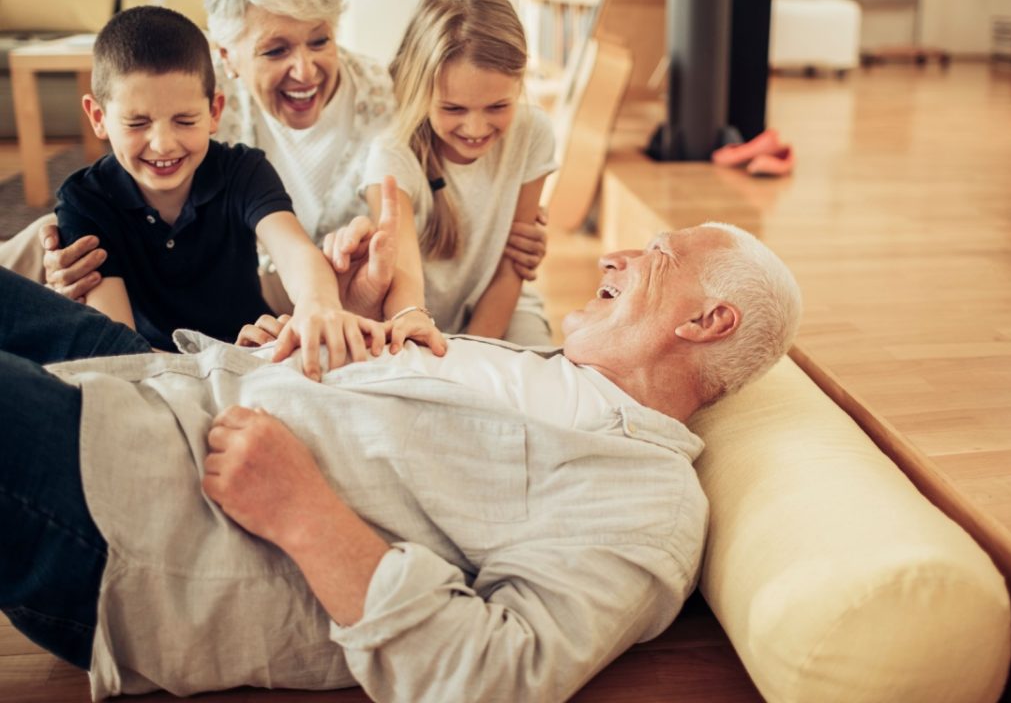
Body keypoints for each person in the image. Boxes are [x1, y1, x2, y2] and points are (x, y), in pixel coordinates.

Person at [0, 223, 803, 703]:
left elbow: (494, 676)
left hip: (145, 516)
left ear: (706, 320)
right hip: (164, 383)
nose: (614, 257)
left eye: (655, 255)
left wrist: (305, 515)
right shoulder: (546, 367)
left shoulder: (646, 498)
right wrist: (310, 351)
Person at [0, 0, 549, 318]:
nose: (305, 69)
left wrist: (512, 234)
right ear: (228, 56)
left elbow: (452, 183)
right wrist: (67, 259)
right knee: (50, 234)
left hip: (322, 290)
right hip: (215, 281)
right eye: (275, 49)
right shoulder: (203, 110)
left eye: (320, 39)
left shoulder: (388, 100)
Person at [53, 5, 380, 376]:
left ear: (214, 112)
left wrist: (318, 304)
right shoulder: (85, 200)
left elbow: (295, 251)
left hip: (255, 351)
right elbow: (119, 351)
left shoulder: (244, 170)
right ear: (98, 117)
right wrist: (221, 363)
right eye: (137, 122)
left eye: (185, 120)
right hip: (162, 369)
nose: (162, 144)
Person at [325, 0, 557, 346]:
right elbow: (404, 282)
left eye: (498, 106)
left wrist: (477, 355)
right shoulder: (392, 151)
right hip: (408, 317)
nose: (476, 129)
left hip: (505, 310)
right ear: (421, 92)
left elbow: (514, 265)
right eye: (453, 109)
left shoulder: (534, 133)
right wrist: (422, 327)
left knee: (540, 376)